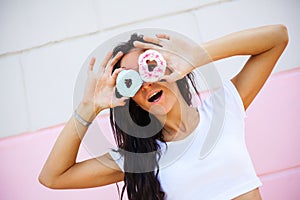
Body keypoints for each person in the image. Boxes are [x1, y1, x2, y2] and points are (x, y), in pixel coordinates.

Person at [39, 24, 288, 200]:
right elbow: (53, 177)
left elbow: (278, 37)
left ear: (171, 68)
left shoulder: (223, 109)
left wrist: (196, 55)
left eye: (150, 68)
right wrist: (89, 107)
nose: (146, 83)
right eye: (131, 81)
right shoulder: (140, 159)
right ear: (132, 99)